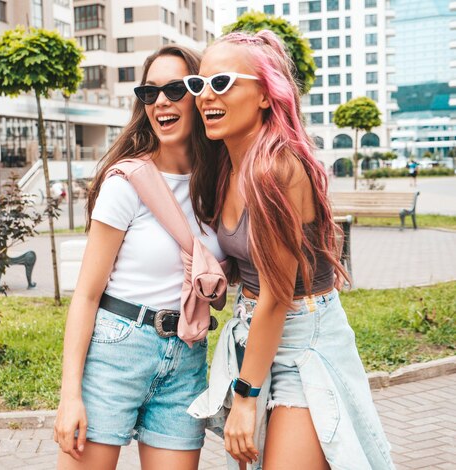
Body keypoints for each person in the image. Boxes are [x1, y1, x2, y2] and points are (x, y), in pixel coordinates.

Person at [184, 30, 394, 469]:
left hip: (304, 338)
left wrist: (245, 397)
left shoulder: (277, 168)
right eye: (198, 84)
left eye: (221, 83)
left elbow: (279, 295)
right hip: (256, 332)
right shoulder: (228, 165)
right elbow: (255, 266)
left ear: (264, 94)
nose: (205, 96)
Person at [54, 45, 225, 470]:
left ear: (199, 94)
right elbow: (87, 294)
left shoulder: (224, 185)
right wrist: (69, 395)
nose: (161, 101)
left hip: (186, 358)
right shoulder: (126, 183)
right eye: (150, 93)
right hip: (117, 351)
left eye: (174, 89)